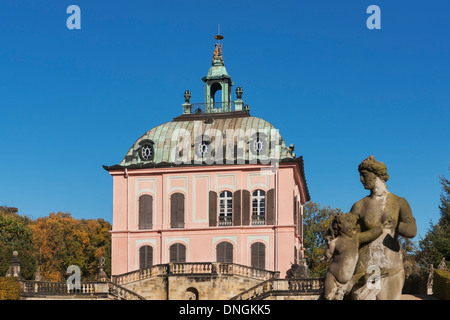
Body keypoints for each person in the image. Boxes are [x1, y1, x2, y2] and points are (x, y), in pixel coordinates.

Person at [350, 156, 417, 299]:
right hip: (367, 269)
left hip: (392, 267)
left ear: (377, 175)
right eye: (360, 175)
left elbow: (412, 231)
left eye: (364, 175)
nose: (361, 179)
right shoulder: (359, 206)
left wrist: (396, 225)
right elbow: (349, 239)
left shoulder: (399, 202)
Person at [324, 212, 384, 300]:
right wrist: (328, 247)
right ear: (340, 225)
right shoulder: (335, 242)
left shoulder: (356, 238)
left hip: (346, 281)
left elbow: (370, 234)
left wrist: (381, 227)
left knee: (338, 298)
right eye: (349, 222)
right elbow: (328, 255)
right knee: (328, 297)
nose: (353, 226)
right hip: (332, 276)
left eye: (354, 224)